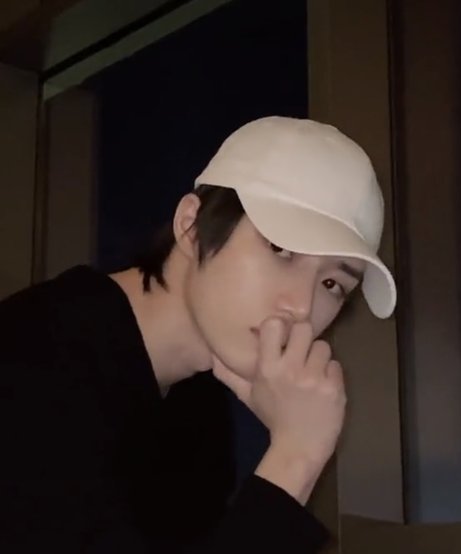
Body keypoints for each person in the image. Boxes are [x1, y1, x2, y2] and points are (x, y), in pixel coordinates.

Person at [0, 116, 396, 553]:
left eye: (332, 284)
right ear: (192, 226)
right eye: (281, 249)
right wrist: (297, 454)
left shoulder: (196, 405)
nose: (301, 307)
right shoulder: (34, 358)